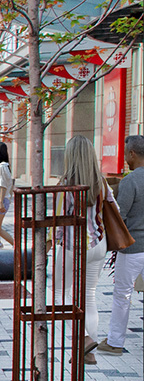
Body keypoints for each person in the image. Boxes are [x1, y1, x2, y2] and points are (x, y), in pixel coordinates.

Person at [54, 136, 112, 365]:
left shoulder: (66, 183)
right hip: (98, 244)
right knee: (89, 295)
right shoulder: (101, 182)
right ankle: (89, 351)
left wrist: (51, 243)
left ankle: (83, 338)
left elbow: (59, 220)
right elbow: (113, 209)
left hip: (72, 245)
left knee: (59, 294)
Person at [99, 135, 144, 355]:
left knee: (122, 295)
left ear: (133, 154)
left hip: (133, 248)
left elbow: (121, 216)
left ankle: (115, 343)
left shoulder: (130, 181)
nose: (125, 158)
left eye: (126, 153)